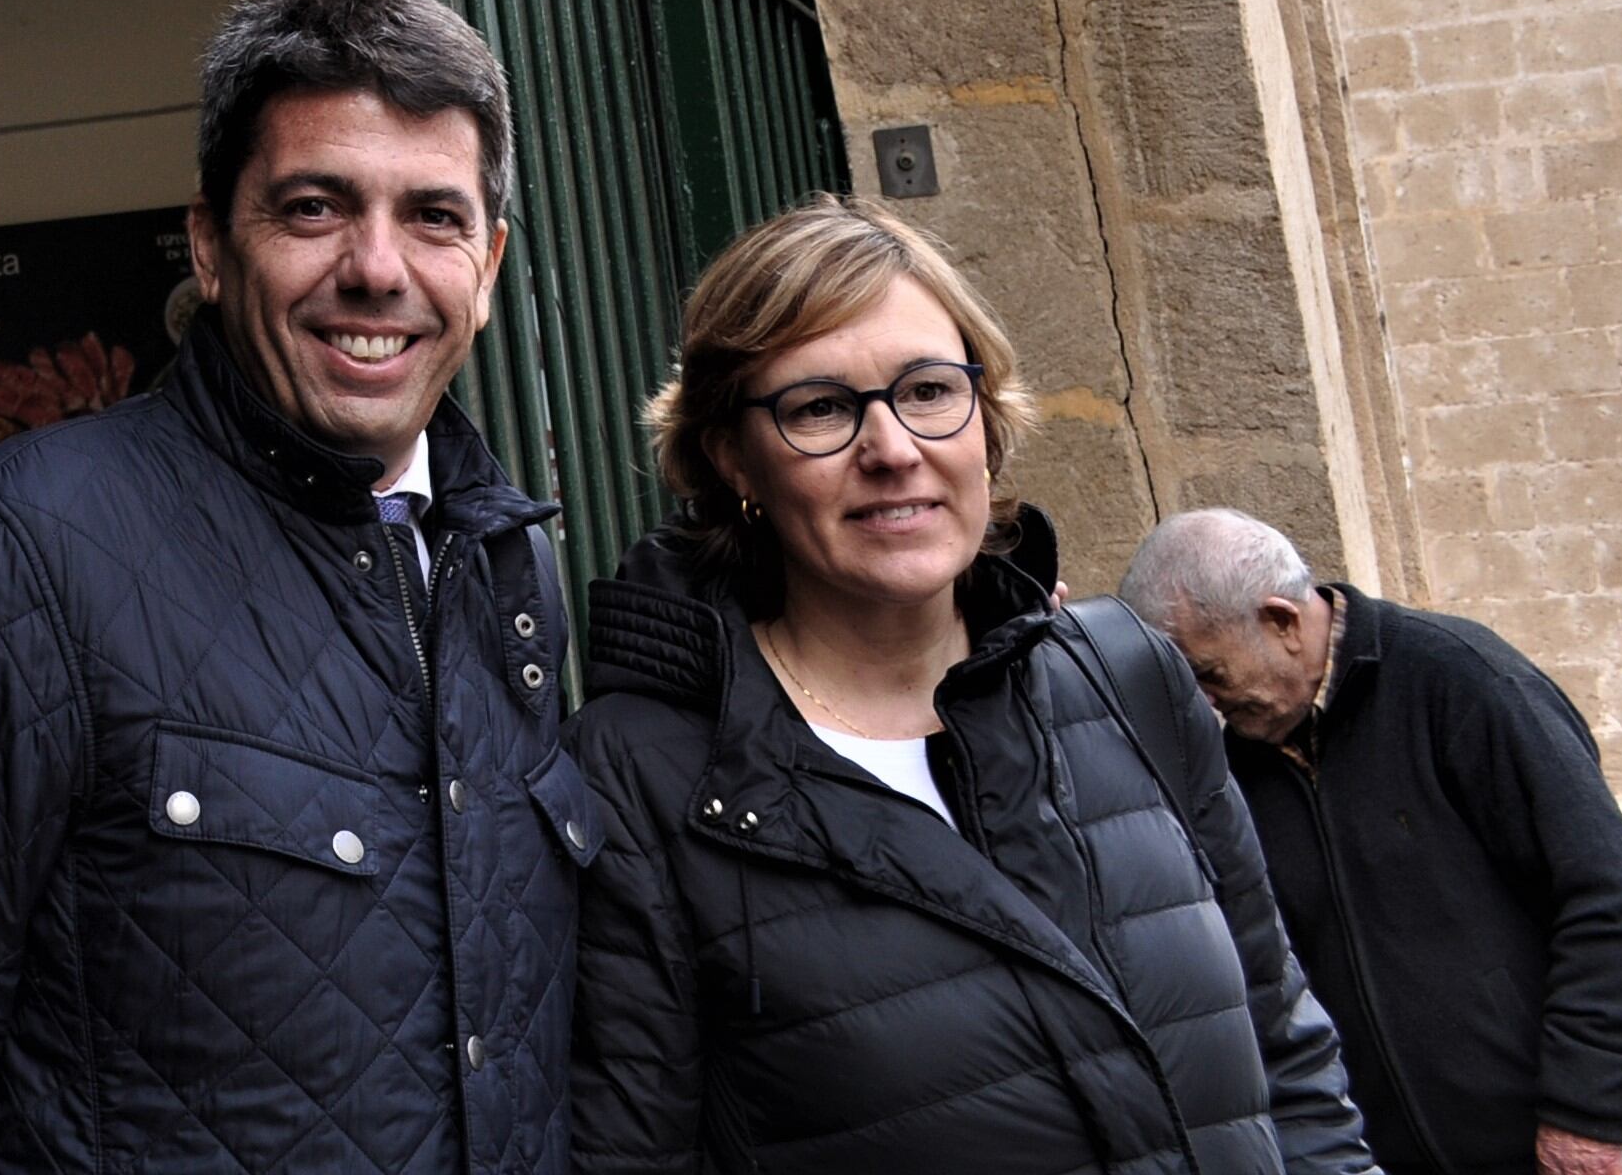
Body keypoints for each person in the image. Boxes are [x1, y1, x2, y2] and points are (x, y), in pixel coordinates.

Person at [0, 0, 581, 1175]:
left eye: (432, 215)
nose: (377, 267)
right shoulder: (28, 543)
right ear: (210, 247)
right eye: (314, 207)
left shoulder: (505, 557)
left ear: (485, 266)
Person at [565, 197, 1377, 1175]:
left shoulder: (1126, 677)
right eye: (819, 407)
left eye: (927, 389)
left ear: (983, 419)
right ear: (732, 456)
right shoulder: (644, 777)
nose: (892, 447)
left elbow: (1283, 1044)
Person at [1123, 506, 1622, 1175]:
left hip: (1592, 1151)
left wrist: (1585, 1118)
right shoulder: (1229, 764)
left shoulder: (1463, 683)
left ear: (1282, 622)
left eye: (1210, 674)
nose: (1206, 703)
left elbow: (1620, 902)